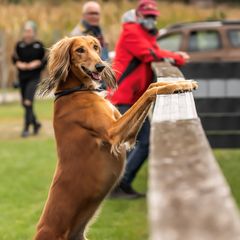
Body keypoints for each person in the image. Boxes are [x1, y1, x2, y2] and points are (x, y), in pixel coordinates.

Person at [109, 0, 189, 198]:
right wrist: (177, 57)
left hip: (135, 97)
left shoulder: (145, 33)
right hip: (125, 96)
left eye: (154, 16)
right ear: (139, 16)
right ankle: (121, 183)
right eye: (148, 16)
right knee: (145, 141)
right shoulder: (132, 32)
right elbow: (149, 54)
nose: (151, 20)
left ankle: (117, 184)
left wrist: (170, 56)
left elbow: (155, 52)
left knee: (133, 143)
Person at [12, 20, 46, 138]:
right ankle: (36, 124)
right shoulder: (19, 45)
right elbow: (14, 58)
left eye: (29, 31)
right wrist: (18, 64)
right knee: (25, 103)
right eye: (26, 31)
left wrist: (36, 64)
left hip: (34, 78)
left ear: (34, 32)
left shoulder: (39, 45)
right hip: (22, 78)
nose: (27, 33)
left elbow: (44, 61)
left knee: (28, 102)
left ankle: (26, 129)